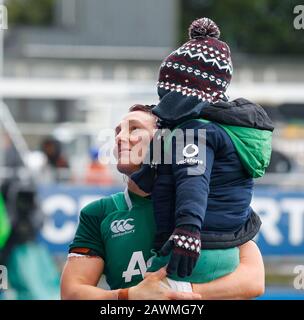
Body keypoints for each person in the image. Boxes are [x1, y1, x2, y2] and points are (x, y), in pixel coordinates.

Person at [60, 105, 265, 300]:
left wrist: (179, 294)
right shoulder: (98, 213)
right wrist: (128, 296)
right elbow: (71, 292)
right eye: (117, 132)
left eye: (134, 129)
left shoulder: (207, 201)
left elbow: (253, 280)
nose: (120, 138)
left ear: (165, 140)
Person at [130, 17, 273, 279]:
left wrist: (187, 230)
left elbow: (192, 180)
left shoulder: (196, 131)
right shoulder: (227, 127)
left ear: (186, 92)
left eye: (168, 94)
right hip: (224, 246)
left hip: (195, 249)